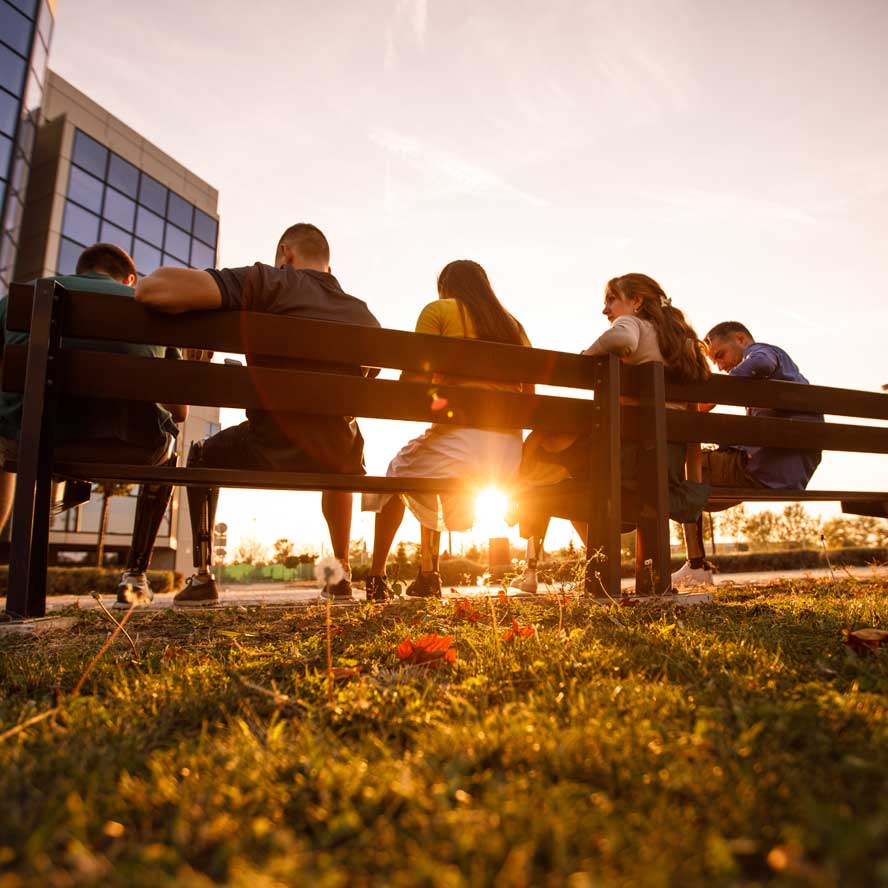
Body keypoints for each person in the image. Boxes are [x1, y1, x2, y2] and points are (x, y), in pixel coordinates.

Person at [133, 223, 380, 605]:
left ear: (286, 254)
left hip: (268, 446)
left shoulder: (266, 281)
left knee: (200, 454)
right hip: (337, 458)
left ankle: (203, 577)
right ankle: (341, 572)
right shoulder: (361, 313)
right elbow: (368, 377)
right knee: (339, 441)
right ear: (328, 269)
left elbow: (153, 289)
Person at [0, 243, 184, 607]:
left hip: (32, 439)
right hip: (132, 444)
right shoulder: (150, 307)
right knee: (172, 447)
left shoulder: (21, 299)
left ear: (80, 270)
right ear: (129, 279)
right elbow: (179, 411)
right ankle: (136, 574)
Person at [511, 273, 711, 593]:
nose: (605, 310)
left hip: (627, 463)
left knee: (541, 449)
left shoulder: (634, 325)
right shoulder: (685, 345)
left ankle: (523, 505)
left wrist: (584, 359)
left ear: (636, 302)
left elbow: (620, 340)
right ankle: (525, 501)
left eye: (611, 300)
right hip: (666, 466)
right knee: (548, 455)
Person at [361, 260, 532, 599]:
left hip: (461, 441)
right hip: (508, 453)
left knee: (396, 475)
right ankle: (429, 574)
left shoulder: (438, 311)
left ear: (445, 289)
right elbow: (530, 396)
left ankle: (376, 577)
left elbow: (411, 383)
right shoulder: (511, 324)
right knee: (424, 458)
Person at [671, 321, 823, 587]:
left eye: (720, 355)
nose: (719, 365)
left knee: (671, 470)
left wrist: (715, 392)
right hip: (787, 477)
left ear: (741, 339)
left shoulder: (765, 352)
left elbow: (761, 361)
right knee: (689, 480)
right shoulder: (786, 379)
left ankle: (692, 566)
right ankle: (695, 565)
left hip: (760, 472)